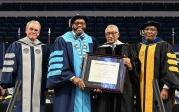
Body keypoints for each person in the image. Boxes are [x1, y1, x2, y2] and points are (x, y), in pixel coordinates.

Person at [47, 15, 95, 112]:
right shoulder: (62, 40)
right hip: (68, 87)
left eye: (82, 23)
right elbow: (58, 65)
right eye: (77, 23)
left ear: (85, 26)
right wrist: (73, 78)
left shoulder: (91, 40)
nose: (79, 25)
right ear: (72, 25)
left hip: (86, 88)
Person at [0, 20, 49, 112]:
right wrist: (4, 83)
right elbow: (9, 66)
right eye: (31, 29)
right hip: (20, 88)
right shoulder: (16, 46)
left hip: (38, 88)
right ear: (26, 30)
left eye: (36, 30)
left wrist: (48, 84)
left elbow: (46, 69)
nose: (33, 32)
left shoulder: (44, 48)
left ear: (39, 33)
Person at [132, 21, 179, 112]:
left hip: (159, 89)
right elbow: (135, 68)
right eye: (147, 29)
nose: (149, 31)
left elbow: (170, 67)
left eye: (153, 30)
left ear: (157, 32)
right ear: (143, 32)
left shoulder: (164, 46)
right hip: (142, 90)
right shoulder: (139, 47)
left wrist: (166, 88)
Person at [91, 24, 136, 112]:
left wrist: (130, 65)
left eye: (113, 33)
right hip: (104, 90)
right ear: (105, 35)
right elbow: (95, 71)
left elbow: (136, 69)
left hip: (124, 88)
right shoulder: (99, 49)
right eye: (108, 34)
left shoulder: (128, 48)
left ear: (118, 34)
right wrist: (95, 85)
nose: (110, 36)